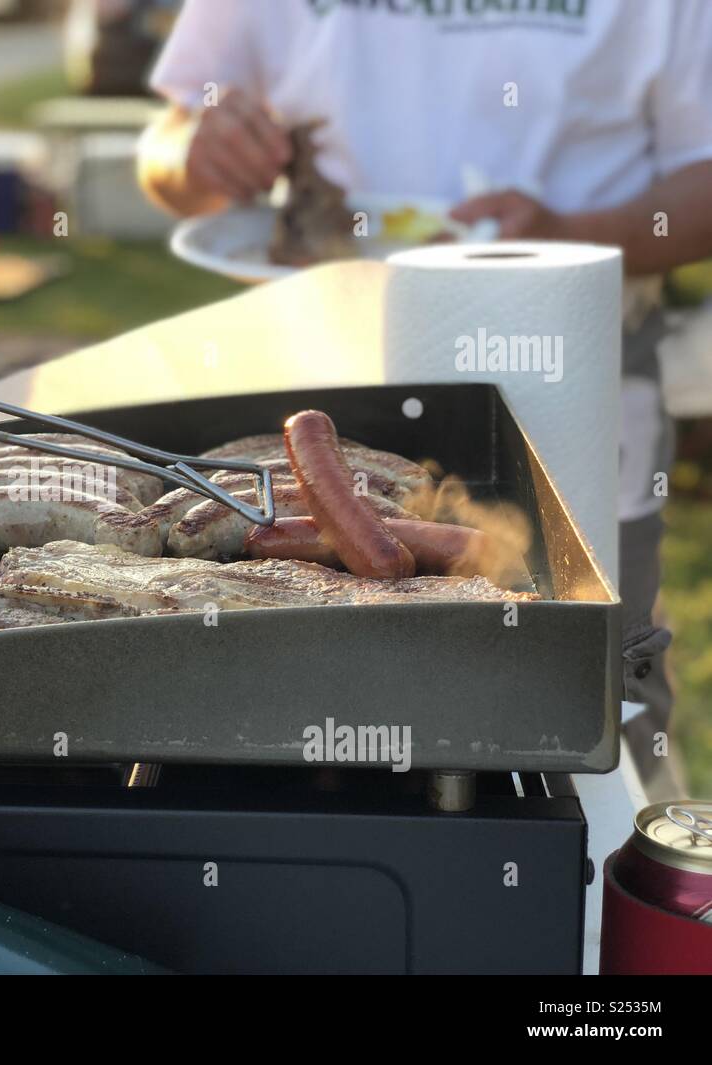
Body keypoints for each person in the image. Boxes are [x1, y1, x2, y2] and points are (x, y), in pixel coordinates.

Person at [138, 0, 712, 794]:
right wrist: (198, 155)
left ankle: (620, 897)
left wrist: (568, 231)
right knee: (294, 690)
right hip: (311, 358)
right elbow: (169, 146)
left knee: (598, 683)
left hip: (573, 367)